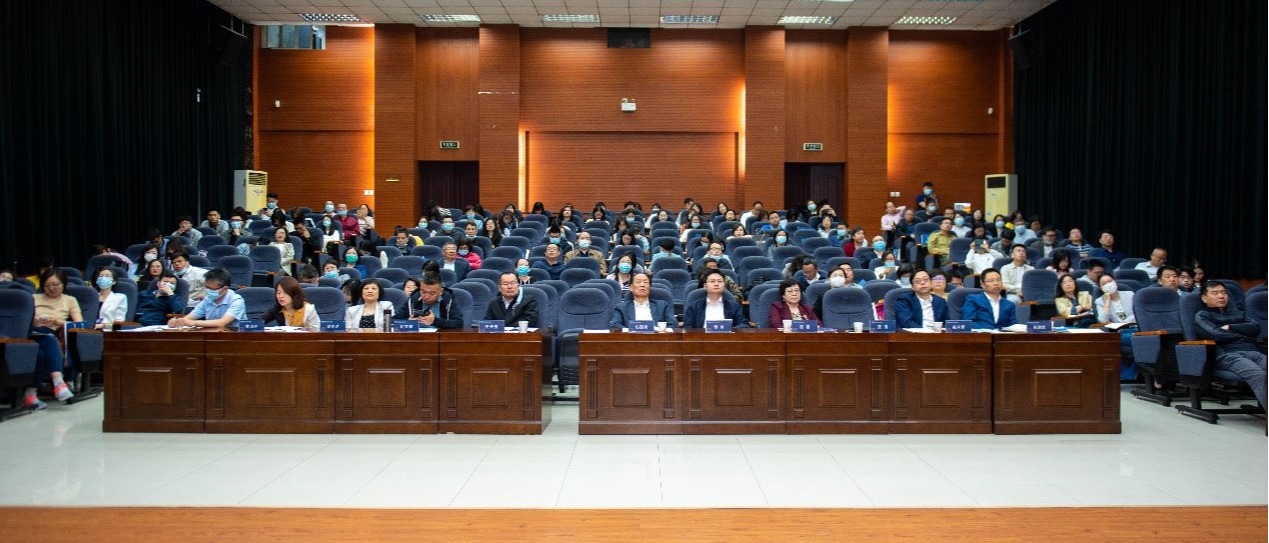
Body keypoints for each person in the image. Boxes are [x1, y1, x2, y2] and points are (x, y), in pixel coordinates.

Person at [1194, 281, 1266, 406]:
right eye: (1215, 293)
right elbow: (1216, 335)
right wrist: (1243, 333)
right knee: (1259, 375)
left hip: (1254, 351)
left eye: (1223, 292)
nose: (1221, 296)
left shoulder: (1238, 313)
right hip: (1228, 355)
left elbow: (1255, 328)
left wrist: (1231, 327)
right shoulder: (1202, 316)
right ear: (1204, 298)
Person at [24, 269, 80, 407]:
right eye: (47, 285)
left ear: (63, 284)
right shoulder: (32, 298)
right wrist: (33, 320)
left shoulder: (70, 300)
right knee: (47, 337)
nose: (51, 288)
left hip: (54, 334)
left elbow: (79, 324)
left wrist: (56, 322)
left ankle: (30, 395)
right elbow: (22, 319)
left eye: (55, 284)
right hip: (32, 333)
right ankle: (59, 383)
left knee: (41, 354)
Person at [168, 269, 245, 329]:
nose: (208, 291)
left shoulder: (236, 300)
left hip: (234, 336)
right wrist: (177, 321)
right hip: (212, 334)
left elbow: (222, 323)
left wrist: (192, 323)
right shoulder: (208, 299)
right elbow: (188, 318)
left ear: (225, 289)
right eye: (207, 287)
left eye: (212, 289)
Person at [397, 273, 464, 329]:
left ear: (441, 291)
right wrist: (408, 322)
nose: (427, 296)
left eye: (432, 293)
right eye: (423, 292)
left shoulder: (448, 299)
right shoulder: (414, 299)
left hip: (441, 337)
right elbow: (394, 320)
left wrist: (435, 321)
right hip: (417, 337)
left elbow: (459, 323)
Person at [611, 272, 676, 329]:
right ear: (631, 288)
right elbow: (615, 325)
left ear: (649, 287)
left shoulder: (662, 305)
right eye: (638, 282)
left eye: (646, 282)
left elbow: (673, 324)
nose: (642, 285)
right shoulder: (621, 308)